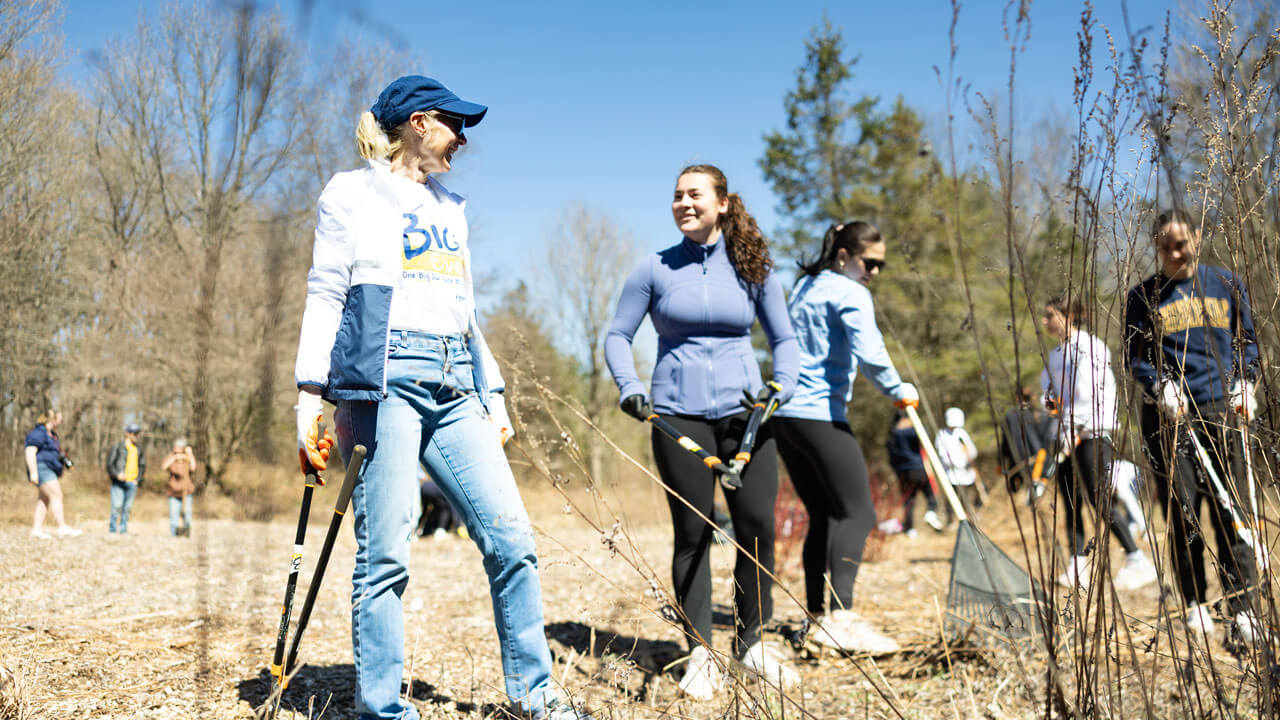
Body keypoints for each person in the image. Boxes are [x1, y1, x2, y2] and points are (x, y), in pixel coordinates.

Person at [292, 75, 591, 720]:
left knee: (512, 538)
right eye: (458, 126)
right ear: (420, 122)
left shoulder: (452, 206)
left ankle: (535, 697)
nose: (464, 141)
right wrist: (309, 400)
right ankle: (382, 709)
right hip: (383, 379)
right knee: (386, 553)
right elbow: (325, 294)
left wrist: (496, 397)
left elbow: (466, 311)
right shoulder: (351, 193)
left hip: (457, 383)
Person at [605, 164, 800, 698]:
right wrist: (628, 386)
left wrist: (782, 382)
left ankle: (752, 641)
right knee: (693, 534)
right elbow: (618, 335)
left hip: (748, 415)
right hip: (675, 415)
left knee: (757, 524)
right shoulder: (655, 269)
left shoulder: (753, 267)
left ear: (722, 202)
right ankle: (700, 651)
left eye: (694, 194)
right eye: (676, 196)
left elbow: (784, 338)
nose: (683, 203)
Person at [770, 221, 918, 656]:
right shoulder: (851, 293)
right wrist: (898, 391)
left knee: (824, 514)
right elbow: (869, 352)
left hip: (786, 418)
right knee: (859, 514)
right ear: (843, 256)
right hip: (819, 415)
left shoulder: (804, 286)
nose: (873, 272)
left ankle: (818, 618)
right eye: (868, 262)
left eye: (880, 266)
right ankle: (842, 618)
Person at [1123, 208, 1261, 644]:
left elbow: (1247, 342)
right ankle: (1195, 602)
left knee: (1231, 513)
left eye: (1181, 244)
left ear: (1197, 238)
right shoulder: (1143, 296)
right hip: (1170, 418)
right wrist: (1159, 385)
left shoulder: (1226, 284)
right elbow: (1136, 357)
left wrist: (1244, 382)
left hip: (1222, 410)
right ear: (1156, 246)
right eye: (1164, 246)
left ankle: (1243, 608)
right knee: (1183, 515)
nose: (1174, 253)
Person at [1040, 295, 1156, 591]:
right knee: (1070, 502)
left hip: (1091, 434)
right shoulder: (1055, 354)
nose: (1044, 321)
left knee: (1099, 498)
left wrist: (1073, 428)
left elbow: (1088, 396)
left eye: (1049, 315)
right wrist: (1050, 405)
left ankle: (1137, 558)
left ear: (1068, 316)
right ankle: (1077, 567)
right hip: (1065, 435)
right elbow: (1049, 392)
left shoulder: (1089, 348)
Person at [24, 410, 82, 538]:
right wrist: (33, 472)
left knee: (44, 499)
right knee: (56, 494)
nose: (61, 422)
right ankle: (62, 527)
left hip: (50, 468)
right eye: (59, 419)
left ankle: (36, 530)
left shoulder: (52, 435)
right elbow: (30, 451)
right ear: (51, 419)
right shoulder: (38, 433)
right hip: (41, 468)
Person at [887, 411, 941, 537]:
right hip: (918, 468)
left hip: (903, 472)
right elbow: (925, 434)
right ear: (904, 419)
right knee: (930, 493)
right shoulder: (909, 432)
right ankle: (931, 512)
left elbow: (891, 458)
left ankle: (910, 528)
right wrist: (916, 424)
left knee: (909, 500)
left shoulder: (892, 436)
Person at [997, 386, 1056, 500]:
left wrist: (1001, 461)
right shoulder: (1039, 414)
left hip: (1021, 462)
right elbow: (1047, 441)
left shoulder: (1013, 415)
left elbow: (1005, 442)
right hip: (1036, 462)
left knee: (1025, 497)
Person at [935, 408, 979, 521]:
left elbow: (972, 450)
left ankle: (971, 515)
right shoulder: (942, 435)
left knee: (969, 495)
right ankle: (951, 519)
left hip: (967, 473)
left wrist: (968, 460)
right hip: (951, 473)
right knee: (953, 498)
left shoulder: (962, 433)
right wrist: (957, 463)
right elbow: (943, 456)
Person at [106, 423, 145, 534]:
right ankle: (112, 529)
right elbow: (110, 464)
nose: (136, 436)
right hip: (118, 482)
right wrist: (116, 475)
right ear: (127, 433)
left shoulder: (138, 450)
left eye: (137, 434)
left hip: (132, 482)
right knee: (116, 506)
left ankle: (123, 529)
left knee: (127, 508)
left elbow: (142, 465)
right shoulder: (118, 447)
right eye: (134, 433)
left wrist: (138, 479)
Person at [161, 438, 196, 537]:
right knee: (174, 513)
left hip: (186, 490)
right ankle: (174, 534)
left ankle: (186, 532)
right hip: (173, 491)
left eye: (178, 447)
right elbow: (164, 467)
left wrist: (190, 454)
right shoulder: (171, 456)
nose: (176, 448)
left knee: (187, 513)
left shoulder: (188, 457)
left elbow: (193, 468)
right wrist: (175, 458)